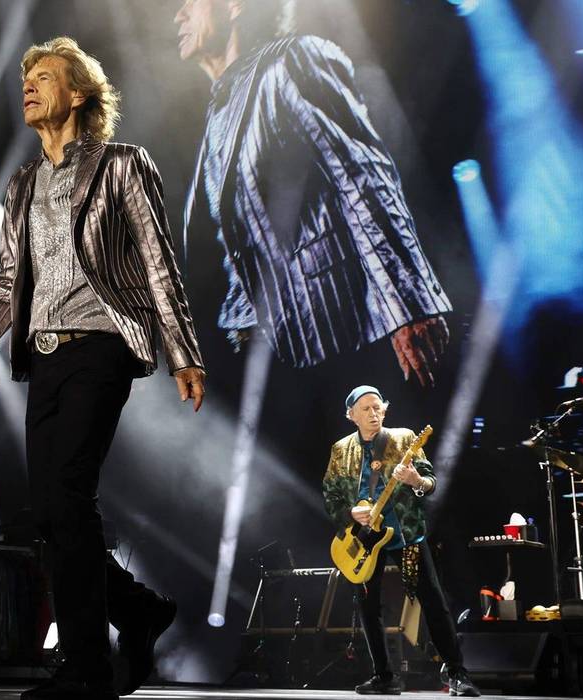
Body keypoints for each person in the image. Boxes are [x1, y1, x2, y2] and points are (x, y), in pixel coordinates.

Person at [0, 37, 207, 699]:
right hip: (44, 357)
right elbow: (7, 287)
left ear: (79, 93)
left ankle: (86, 665)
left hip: (102, 345)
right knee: (52, 516)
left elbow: (158, 265)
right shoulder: (22, 183)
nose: (27, 88)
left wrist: (183, 352)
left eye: (44, 77)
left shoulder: (121, 165)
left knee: (68, 497)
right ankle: (138, 609)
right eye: (25, 80)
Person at [175, 0, 451, 385]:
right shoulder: (219, 112)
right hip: (279, 357)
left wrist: (407, 305)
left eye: (191, 2)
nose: (179, 15)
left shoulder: (292, 61)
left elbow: (362, 176)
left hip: (340, 334)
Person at [322, 385, 479, 696]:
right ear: (351, 415)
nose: (373, 413)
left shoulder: (405, 438)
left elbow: (430, 480)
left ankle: (456, 672)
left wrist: (417, 481)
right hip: (366, 539)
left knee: (432, 600)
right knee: (368, 606)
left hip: (405, 533)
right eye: (365, 409)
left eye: (377, 407)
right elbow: (330, 494)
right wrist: (351, 513)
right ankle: (384, 676)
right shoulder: (341, 449)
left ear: (386, 410)